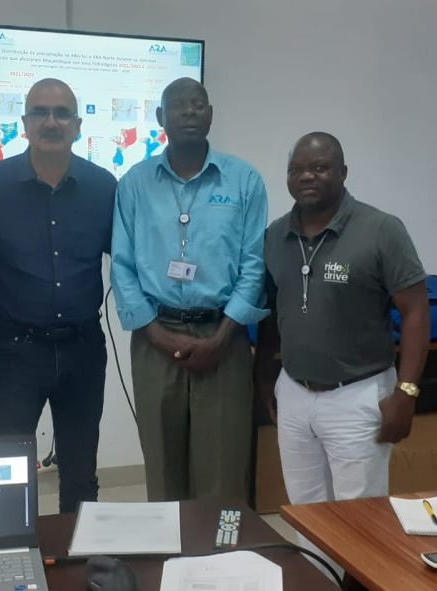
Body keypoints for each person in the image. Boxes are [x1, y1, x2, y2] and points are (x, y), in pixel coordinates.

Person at [0, 78, 117, 514]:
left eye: (62, 113)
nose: (51, 122)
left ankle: (76, 554)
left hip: (83, 351)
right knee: (5, 479)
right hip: (11, 354)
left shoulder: (104, 188)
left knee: (81, 475)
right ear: (24, 124)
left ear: (78, 126)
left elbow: (133, 260)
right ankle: (11, 555)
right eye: (40, 112)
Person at [111, 78, 268, 502]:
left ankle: (218, 545)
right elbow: (122, 267)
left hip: (224, 338)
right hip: (155, 339)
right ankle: (168, 545)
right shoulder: (135, 183)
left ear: (211, 114)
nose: (189, 112)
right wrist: (158, 335)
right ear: (160, 117)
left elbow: (253, 265)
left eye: (198, 104)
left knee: (223, 467)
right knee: (163, 464)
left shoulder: (244, 181)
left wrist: (221, 337)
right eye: (178, 105)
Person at [255, 130, 430, 506]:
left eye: (319, 167)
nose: (306, 176)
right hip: (294, 392)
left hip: (358, 395)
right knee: (305, 509)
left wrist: (406, 393)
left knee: (359, 517)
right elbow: (272, 312)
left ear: (343, 172)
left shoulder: (381, 230)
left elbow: (416, 312)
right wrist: (266, 377)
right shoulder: (275, 236)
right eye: (296, 169)